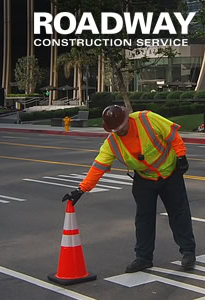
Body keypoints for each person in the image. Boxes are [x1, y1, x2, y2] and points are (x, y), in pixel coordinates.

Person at [62, 105, 196, 273]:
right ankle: (143, 258)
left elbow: (172, 135)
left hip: (170, 174)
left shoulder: (147, 119)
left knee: (179, 213)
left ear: (127, 118)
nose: (119, 131)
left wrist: (181, 155)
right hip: (145, 178)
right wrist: (81, 189)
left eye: (121, 126)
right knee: (143, 219)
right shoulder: (112, 143)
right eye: (115, 129)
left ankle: (188, 252)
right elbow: (98, 166)